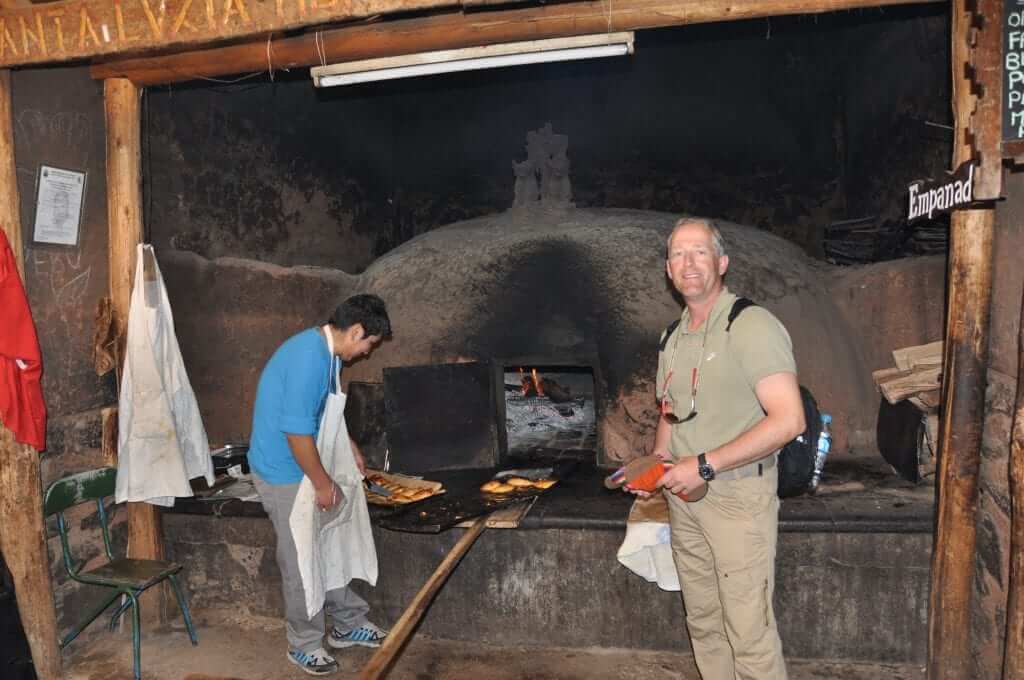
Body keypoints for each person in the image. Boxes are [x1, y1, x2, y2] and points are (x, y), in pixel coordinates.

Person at [649, 218, 804, 680]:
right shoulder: (671, 337)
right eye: (678, 254)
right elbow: (670, 413)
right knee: (703, 622)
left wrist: (704, 464)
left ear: (722, 262)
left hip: (738, 500)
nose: (688, 262)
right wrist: (656, 466)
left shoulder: (750, 325)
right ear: (668, 270)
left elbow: (789, 419)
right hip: (686, 499)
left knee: (747, 632)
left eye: (699, 252)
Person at [248, 294, 392, 676]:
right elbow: (296, 431)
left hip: (302, 464)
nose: (365, 353)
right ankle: (304, 643)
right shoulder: (309, 357)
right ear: (357, 331)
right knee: (300, 561)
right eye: (368, 344)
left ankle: (347, 622)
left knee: (327, 542)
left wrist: (350, 446)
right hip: (283, 471)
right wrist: (322, 482)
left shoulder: (327, 353)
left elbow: (323, 412)